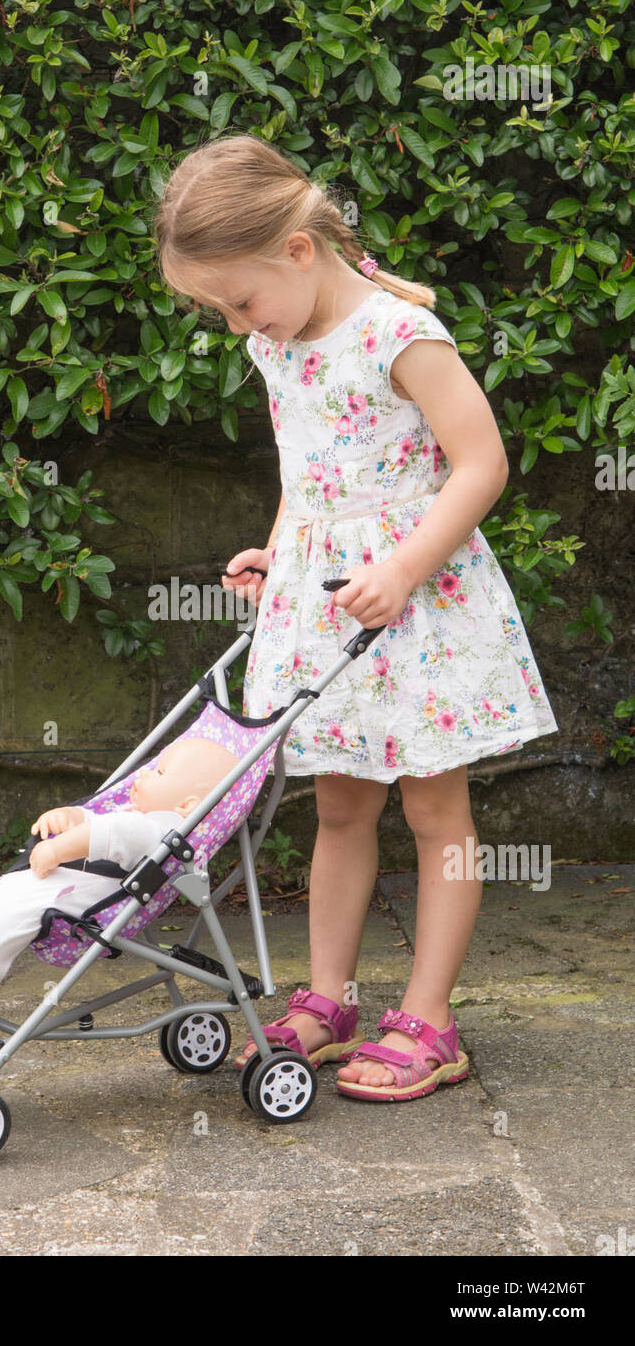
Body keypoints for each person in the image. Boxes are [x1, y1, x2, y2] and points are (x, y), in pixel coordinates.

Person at [153, 133, 559, 1102]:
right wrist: (277, 550)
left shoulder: (397, 335)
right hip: (326, 605)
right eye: (216, 309)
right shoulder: (273, 340)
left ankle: (426, 1018)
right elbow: (309, 473)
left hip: (415, 607)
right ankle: (328, 996)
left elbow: (480, 464)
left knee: (432, 808)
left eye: (236, 298)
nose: (233, 321)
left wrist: (406, 563)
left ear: (296, 250)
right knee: (336, 805)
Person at [0, 737, 240, 1038]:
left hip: (63, 906)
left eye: (159, 774)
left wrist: (57, 848)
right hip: (38, 889)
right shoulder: (138, 815)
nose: (143, 776)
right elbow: (101, 826)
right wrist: (71, 817)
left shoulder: (161, 828)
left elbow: (115, 833)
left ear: (187, 805)